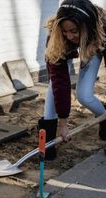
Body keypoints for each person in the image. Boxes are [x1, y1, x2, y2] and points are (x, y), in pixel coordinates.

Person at [39, 0, 106, 160]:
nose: (69, 35)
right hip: (78, 39)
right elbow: (60, 82)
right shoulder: (56, 36)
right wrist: (63, 123)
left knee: (83, 95)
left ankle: (104, 117)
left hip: (96, 41)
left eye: (73, 31)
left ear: (84, 26)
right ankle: (47, 139)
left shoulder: (102, 30)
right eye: (65, 31)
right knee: (54, 84)